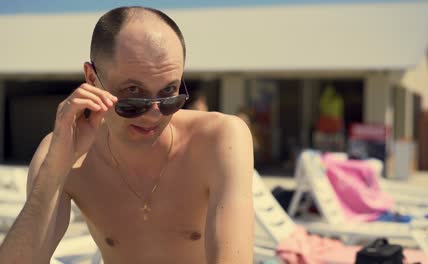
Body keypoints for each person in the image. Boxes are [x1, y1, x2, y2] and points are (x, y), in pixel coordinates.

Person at [0, 6, 254, 264]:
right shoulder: (64, 154)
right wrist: (55, 168)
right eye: (133, 92)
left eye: (169, 93)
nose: (154, 114)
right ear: (92, 79)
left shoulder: (219, 140)